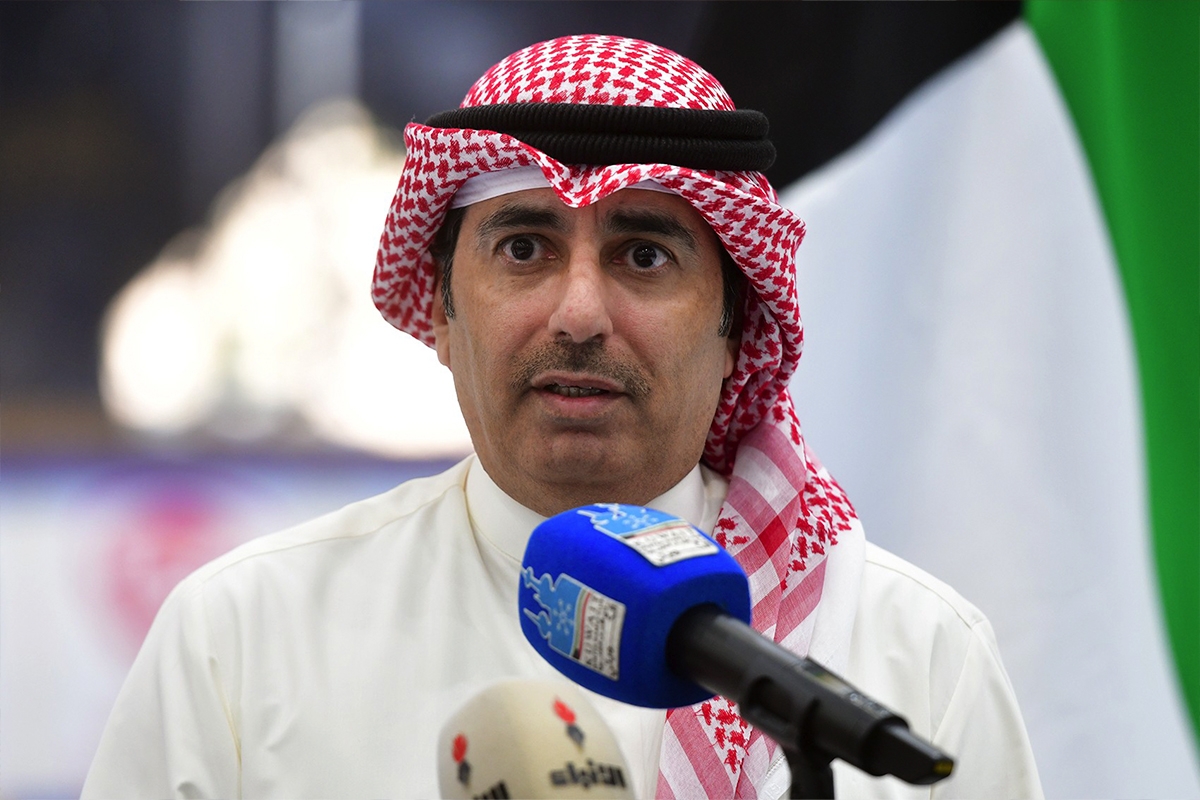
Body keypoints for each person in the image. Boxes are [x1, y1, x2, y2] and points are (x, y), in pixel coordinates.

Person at [83, 35, 1042, 799]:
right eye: (525, 248)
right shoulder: (243, 637)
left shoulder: (911, 654)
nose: (579, 314)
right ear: (443, 315)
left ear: (734, 327)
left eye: (643, 256)